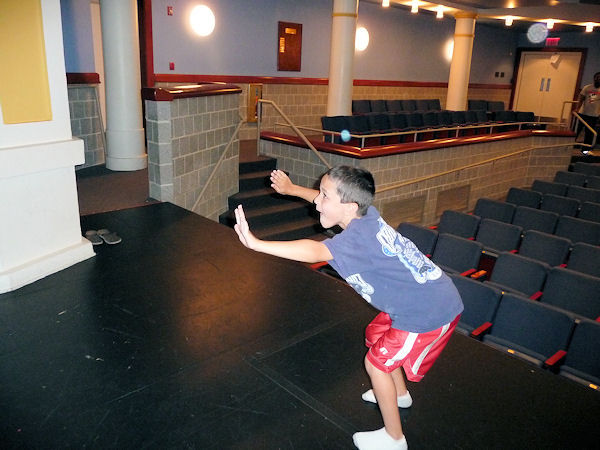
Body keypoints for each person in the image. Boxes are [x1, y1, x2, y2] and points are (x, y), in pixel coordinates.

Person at [233, 166, 463, 450]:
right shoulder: (365, 215)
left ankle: (394, 438)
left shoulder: (356, 240)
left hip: (428, 310)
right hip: (416, 297)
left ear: (350, 206)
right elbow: (332, 200)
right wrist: (291, 189)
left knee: (376, 364)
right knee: (375, 334)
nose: (317, 201)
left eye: (324, 196)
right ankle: (399, 394)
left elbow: (315, 251)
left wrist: (257, 244)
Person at [576, 72, 600, 149]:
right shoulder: (587, 87)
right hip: (583, 113)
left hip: (593, 115)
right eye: (597, 77)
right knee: (576, 130)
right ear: (594, 78)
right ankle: (569, 146)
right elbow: (581, 99)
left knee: (589, 133)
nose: (598, 79)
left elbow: (594, 99)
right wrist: (577, 109)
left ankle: (585, 150)